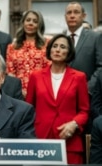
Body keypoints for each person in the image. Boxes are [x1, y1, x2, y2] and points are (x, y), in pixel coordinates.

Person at [26, 34, 90, 164]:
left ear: (69, 52)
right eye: (54, 46)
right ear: (49, 50)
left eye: (62, 47)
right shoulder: (35, 76)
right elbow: (28, 109)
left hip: (69, 141)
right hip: (41, 139)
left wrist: (74, 124)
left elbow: (84, 111)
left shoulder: (79, 77)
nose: (57, 50)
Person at [6, 10, 50, 97]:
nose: (31, 23)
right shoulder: (12, 46)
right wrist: (19, 90)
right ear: (23, 23)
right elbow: (10, 72)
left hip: (42, 91)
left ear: (39, 25)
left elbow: (49, 69)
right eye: (28, 20)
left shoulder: (47, 44)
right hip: (18, 93)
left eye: (35, 21)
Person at [64, 1, 102, 96]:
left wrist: (87, 88)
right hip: (63, 95)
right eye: (69, 13)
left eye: (76, 12)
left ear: (84, 16)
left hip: (88, 95)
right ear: (65, 17)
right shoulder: (60, 38)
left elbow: (100, 66)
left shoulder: (95, 37)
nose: (72, 16)